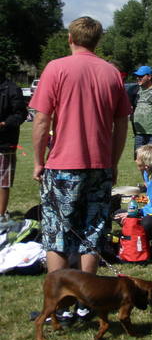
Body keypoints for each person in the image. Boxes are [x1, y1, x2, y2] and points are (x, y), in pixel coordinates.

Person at [30, 16, 131, 321]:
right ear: (98, 40)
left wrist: (38, 160)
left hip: (62, 165)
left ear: (70, 38)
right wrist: (113, 162)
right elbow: (121, 124)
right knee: (93, 232)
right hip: (99, 165)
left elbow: (42, 120)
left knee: (57, 234)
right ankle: (88, 304)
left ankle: (59, 306)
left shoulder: (56, 68)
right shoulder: (112, 73)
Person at [0, 71, 28, 225]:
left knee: (3, 182)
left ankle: (1, 216)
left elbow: (20, 114)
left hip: (5, 143)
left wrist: (4, 124)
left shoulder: (12, 89)